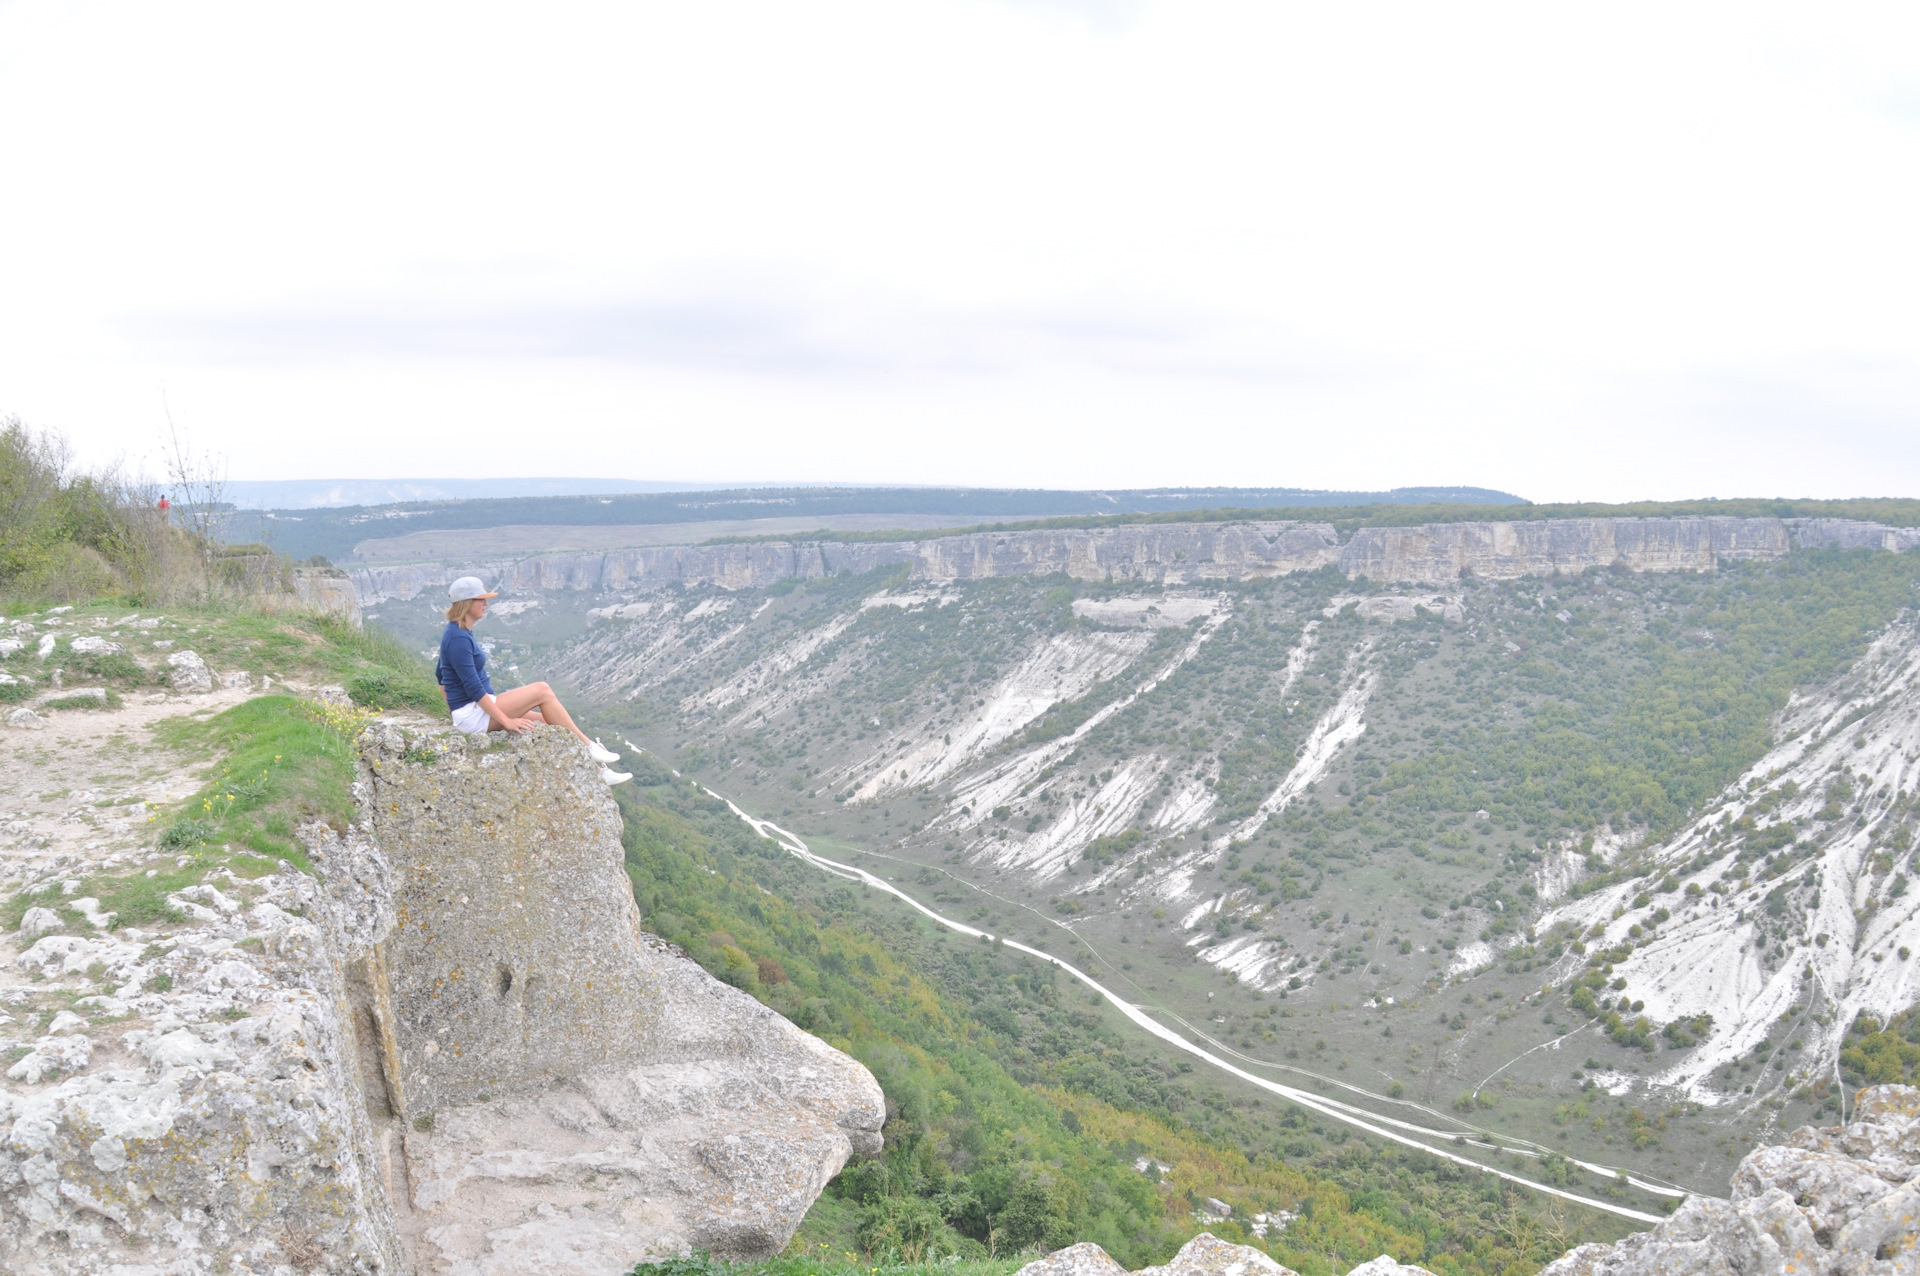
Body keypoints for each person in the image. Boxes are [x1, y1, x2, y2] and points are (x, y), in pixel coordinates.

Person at [437, 576, 631, 784]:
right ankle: (589, 746)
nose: (486, 603)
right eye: (480, 599)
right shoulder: (458, 637)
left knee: (551, 720)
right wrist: (505, 721)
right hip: (474, 714)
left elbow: (440, 675)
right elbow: (474, 689)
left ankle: (598, 773)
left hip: (475, 711)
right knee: (542, 690)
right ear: (466, 603)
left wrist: (453, 711)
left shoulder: (460, 632)